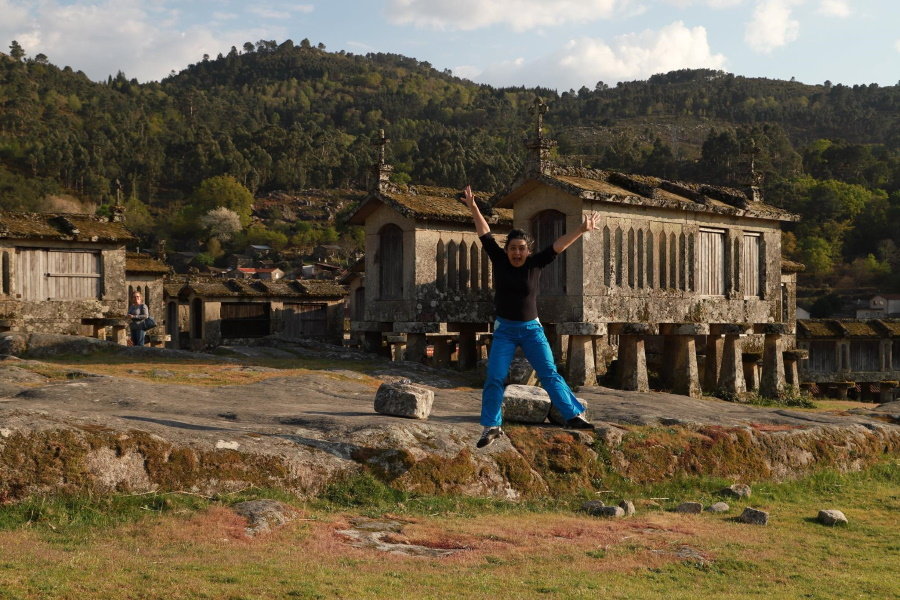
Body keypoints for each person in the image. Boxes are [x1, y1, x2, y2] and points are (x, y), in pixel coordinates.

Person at [461, 185, 600, 448]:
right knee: (495, 376)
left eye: (521, 249)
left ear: (528, 250)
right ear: (507, 249)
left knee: (549, 373)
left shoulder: (535, 263)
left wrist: (581, 229)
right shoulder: (500, 260)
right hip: (504, 330)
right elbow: (484, 233)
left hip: (531, 330)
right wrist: (473, 207)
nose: (517, 253)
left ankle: (573, 415)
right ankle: (492, 426)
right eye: (513, 248)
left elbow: (558, 246)